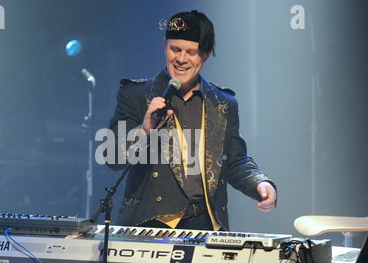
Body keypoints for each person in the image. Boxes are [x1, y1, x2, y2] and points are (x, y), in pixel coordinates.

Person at [106, 10, 276, 234]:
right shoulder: (136, 95)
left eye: (191, 52)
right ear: (165, 45)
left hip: (206, 223)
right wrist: (145, 130)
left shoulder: (223, 103)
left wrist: (260, 183)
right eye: (175, 49)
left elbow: (234, 161)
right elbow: (111, 157)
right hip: (149, 223)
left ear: (205, 55)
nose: (181, 59)